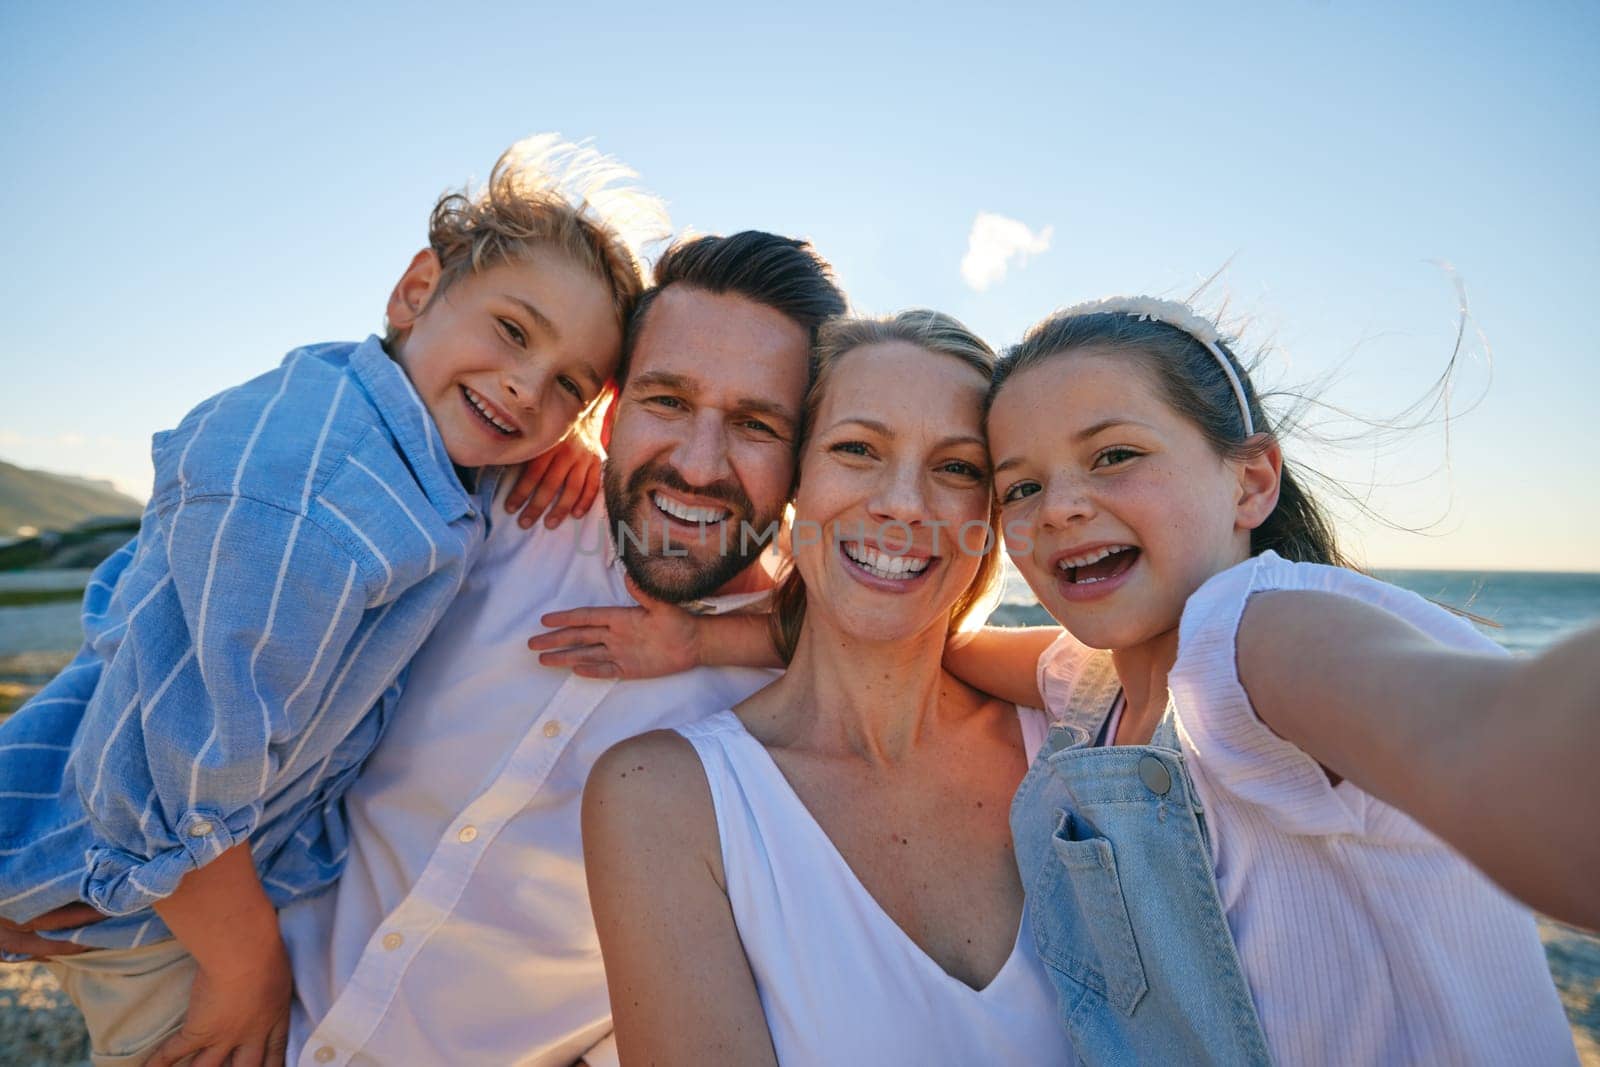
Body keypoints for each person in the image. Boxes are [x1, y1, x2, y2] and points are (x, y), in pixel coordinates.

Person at [0, 135, 655, 1067]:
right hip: (151, 900)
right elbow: (169, 777)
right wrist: (247, 971)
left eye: (569, 386)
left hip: (166, 878)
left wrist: (561, 441)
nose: (525, 384)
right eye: (513, 331)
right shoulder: (315, 503)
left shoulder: (399, 429)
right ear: (417, 289)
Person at [946, 296, 1587, 1063]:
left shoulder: (1257, 637)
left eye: (1114, 455)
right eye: (1020, 487)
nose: (1059, 508)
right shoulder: (1096, 683)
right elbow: (946, 649)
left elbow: (1499, 746)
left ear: (1250, 482)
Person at [278, 230, 847, 1067]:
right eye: (667, 400)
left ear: (809, 455)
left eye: (759, 424)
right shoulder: (485, 506)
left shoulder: (809, 706)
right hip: (238, 1025)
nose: (696, 464)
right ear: (609, 410)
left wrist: (717, 640)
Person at [580, 311, 1075, 1064]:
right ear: (794, 482)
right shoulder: (662, 798)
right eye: (857, 449)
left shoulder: (1082, 734)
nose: (903, 502)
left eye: (957, 468)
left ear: (993, 514)